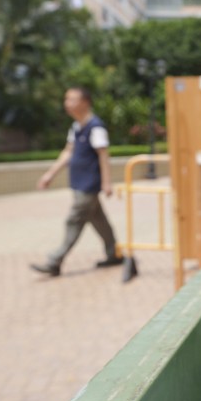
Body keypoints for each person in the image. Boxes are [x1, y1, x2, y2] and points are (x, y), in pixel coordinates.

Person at [31, 87, 123, 276]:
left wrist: (106, 182)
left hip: (89, 184)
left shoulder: (96, 127)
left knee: (74, 220)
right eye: (66, 99)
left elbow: (104, 156)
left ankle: (55, 261)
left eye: (72, 99)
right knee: (99, 220)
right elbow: (68, 152)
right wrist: (50, 174)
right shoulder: (76, 127)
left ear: (85, 102)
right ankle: (113, 253)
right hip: (78, 182)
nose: (67, 103)